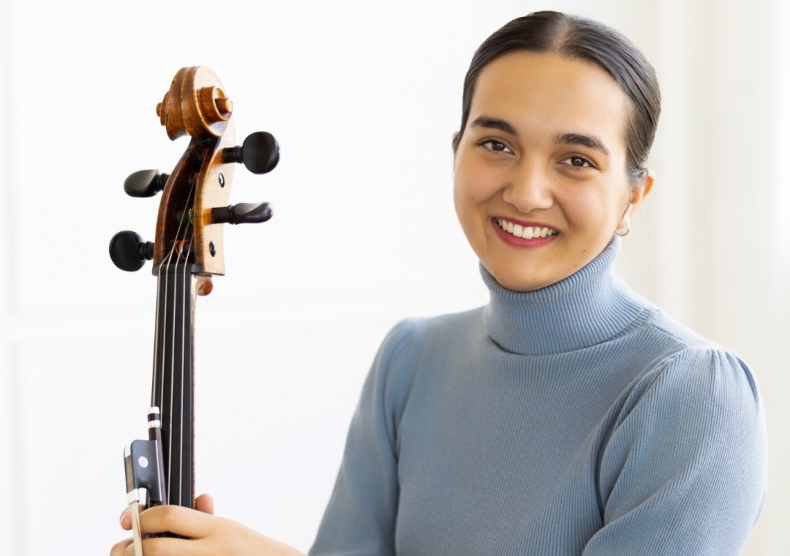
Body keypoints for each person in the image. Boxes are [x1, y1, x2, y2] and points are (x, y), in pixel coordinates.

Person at [111, 10, 767, 556]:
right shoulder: (412, 361)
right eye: (496, 145)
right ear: (456, 150)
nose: (527, 191)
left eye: (576, 159)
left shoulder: (693, 396)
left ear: (634, 195)